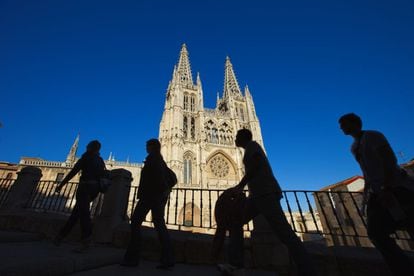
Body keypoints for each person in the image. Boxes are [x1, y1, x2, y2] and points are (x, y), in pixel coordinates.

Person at [218, 129, 317, 276]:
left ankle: (307, 270)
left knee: (285, 233)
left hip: (266, 194)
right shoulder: (249, 149)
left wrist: (240, 185)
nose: (234, 138)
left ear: (243, 137)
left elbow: (256, 165)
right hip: (257, 196)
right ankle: (235, 263)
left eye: (237, 136)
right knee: (236, 222)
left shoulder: (253, 146)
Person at [339, 113, 414, 275]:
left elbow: (389, 160)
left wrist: (387, 187)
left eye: (344, 124)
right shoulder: (354, 147)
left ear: (355, 123)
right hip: (378, 192)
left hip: (396, 189)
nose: (342, 128)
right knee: (376, 233)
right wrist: (369, 192)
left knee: (405, 226)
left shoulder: (373, 136)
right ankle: (403, 267)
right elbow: (367, 170)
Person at [121, 139, 174, 269]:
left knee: (135, 222)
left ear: (152, 147)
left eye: (147, 145)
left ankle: (132, 257)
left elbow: (156, 178)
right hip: (157, 197)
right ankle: (168, 258)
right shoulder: (160, 160)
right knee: (160, 226)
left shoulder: (153, 159)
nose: (146, 148)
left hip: (150, 196)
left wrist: (155, 192)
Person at [54, 140, 106, 252]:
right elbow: (102, 175)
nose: (86, 147)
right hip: (94, 190)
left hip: (85, 188)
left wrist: (61, 185)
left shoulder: (86, 157)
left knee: (84, 214)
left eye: (87, 146)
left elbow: (73, 172)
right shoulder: (100, 160)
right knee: (76, 213)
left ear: (90, 147)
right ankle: (60, 236)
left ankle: (86, 240)